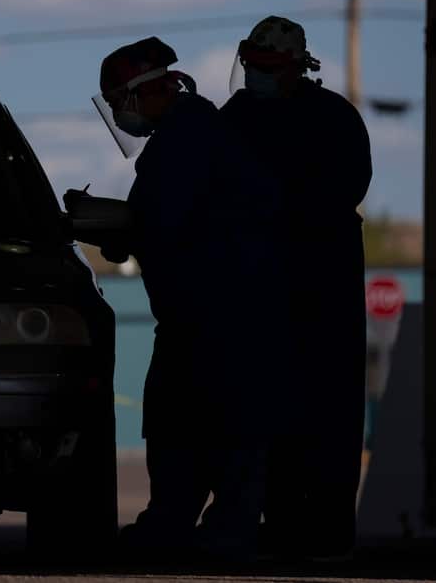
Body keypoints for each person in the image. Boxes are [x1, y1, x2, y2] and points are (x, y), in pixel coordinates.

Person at [85, 36, 290, 562]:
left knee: (201, 421)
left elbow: (161, 220)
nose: (118, 114)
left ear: (144, 92)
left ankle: (209, 530)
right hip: (210, 313)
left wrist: (106, 226)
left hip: (215, 315)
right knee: (198, 417)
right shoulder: (193, 132)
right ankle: (190, 524)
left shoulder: (186, 139)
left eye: (117, 103)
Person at [220, 15, 372, 561]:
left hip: (321, 288)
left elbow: (340, 191)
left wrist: (275, 216)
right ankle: (282, 522)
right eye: (252, 65)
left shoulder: (333, 119)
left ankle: (329, 528)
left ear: (295, 66)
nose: (257, 75)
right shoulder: (236, 119)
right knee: (269, 409)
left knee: (327, 409)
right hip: (261, 289)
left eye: (269, 66)